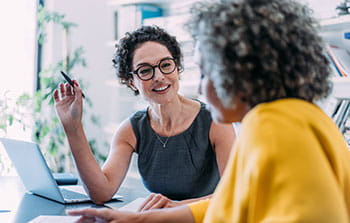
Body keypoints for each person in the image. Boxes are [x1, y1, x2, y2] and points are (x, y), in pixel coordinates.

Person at [68, 0, 350, 222]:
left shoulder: (274, 124)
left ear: (238, 72)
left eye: (205, 74)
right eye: (145, 71)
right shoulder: (291, 116)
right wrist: (143, 220)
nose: (201, 90)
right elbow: (231, 203)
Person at [53, 26, 235, 209]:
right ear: (131, 82)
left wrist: (174, 208)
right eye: (145, 71)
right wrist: (72, 127)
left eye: (165, 65)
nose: (159, 76)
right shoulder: (130, 130)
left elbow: (234, 194)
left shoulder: (215, 121)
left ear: (177, 68)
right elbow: (101, 192)